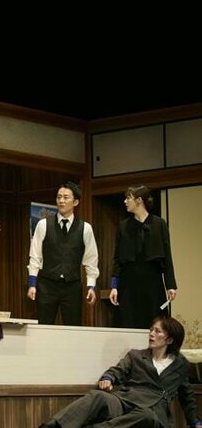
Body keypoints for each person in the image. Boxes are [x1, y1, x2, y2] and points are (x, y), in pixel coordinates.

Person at [40, 316, 201, 428]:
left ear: (170, 339)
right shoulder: (136, 355)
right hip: (126, 400)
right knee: (98, 396)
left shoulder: (180, 365)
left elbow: (186, 396)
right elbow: (118, 370)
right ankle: (53, 425)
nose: (151, 334)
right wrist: (108, 378)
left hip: (153, 410)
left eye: (157, 331)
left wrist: (196, 422)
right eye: (151, 329)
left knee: (147, 416)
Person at [27, 182, 99, 326]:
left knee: (73, 328)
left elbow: (91, 259)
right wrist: (32, 284)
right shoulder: (43, 224)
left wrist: (91, 286)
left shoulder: (85, 228)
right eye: (59, 197)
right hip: (47, 284)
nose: (61, 201)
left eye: (66, 197)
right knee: (44, 326)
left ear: (75, 202)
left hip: (72, 286)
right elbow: (35, 256)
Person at [109, 184, 178, 329]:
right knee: (128, 321)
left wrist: (171, 285)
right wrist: (114, 286)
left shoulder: (159, 224)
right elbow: (117, 259)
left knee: (154, 321)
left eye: (128, 198)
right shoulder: (123, 226)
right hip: (129, 283)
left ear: (139, 200)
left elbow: (167, 256)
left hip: (153, 282)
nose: (125, 201)